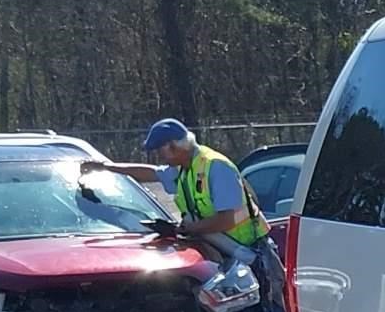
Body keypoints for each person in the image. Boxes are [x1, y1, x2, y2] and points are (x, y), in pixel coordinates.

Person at [83, 119, 276, 294]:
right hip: (226, 256)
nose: (160, 157)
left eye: (160, 151)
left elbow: (226, 220)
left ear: (174, 146)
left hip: (252, 255)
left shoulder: (216, 167)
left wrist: (185, 229)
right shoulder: (184, 169)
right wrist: (107, 167)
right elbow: (151, 174)